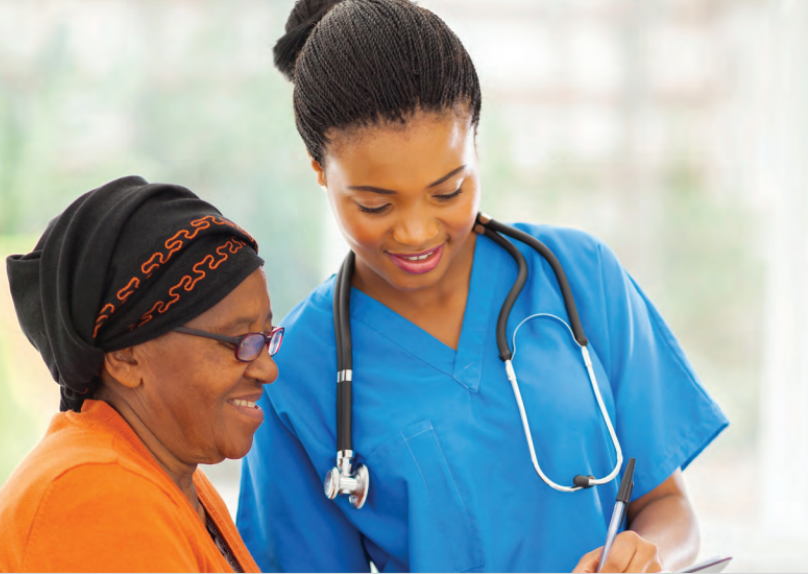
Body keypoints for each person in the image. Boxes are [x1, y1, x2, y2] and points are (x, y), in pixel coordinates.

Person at [236, 1, 729, 572]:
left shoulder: (580, 274)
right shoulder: (294, 370)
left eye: (448, 191)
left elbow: (668, 507)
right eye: (375, 204)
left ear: (475, 144)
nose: (417, 231)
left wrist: (650, 559)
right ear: (319, 168)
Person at [0, 175, 281, 573]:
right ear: (125, 356)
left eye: (265, 337)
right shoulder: (98, 493)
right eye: (238, 342)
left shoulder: (164, 472)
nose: (267, 368)